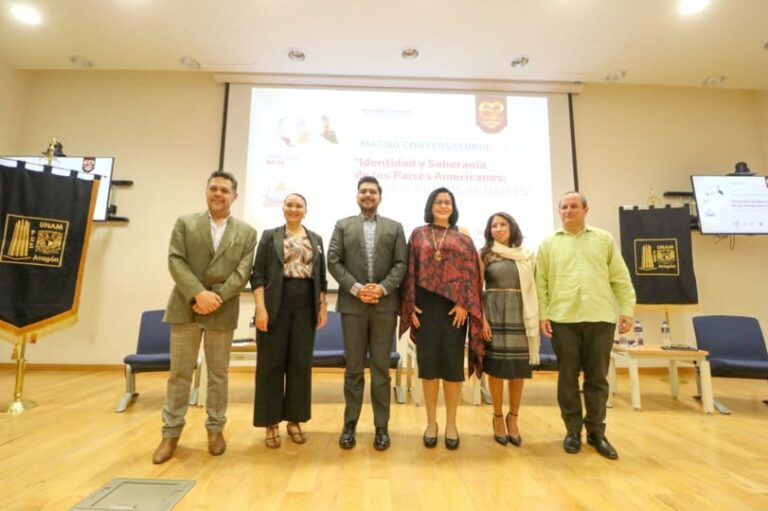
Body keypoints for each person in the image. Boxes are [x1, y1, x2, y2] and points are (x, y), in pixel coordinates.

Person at [152, 170, 257, 464]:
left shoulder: (247, 232)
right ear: (206, 192)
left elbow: (243, 271)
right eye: (214, 189)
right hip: (186, 307)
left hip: (222, 310)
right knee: (179, 375)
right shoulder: (186, 223)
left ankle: (215, 430)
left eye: (225, 190)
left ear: (234, 196)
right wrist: (198, 294)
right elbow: (176, 260)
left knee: (219, 375)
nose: (218, 194)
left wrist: (216, 297)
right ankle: (170, 434)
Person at [535, 191, 635, 460]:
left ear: (586, 210)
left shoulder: (604, 240)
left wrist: (626, 309)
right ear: (559, 212)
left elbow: (620, 277)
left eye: (574, 206)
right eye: (564, 207)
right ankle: (572, 431)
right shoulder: (548, 244)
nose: (569, 211)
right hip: (563, 319)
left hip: (600, 318)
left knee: (597, 378)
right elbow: (541, 283)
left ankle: (596, 432)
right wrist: (543, 315)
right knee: (567, 377)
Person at [399, 187, 483, 450]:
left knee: (452, 368)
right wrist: (410, 306)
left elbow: (472, 273)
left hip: (454, 311)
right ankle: (431, 423)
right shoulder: (418, 234)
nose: (443, 205)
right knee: (430, 367)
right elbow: (408, 271)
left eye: (448, 202)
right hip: (425, 308)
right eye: (439, 201)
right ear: (431, 205)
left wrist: (464, 303)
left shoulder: (463, 237)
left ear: (453, 206)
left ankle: (451, 424)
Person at [327, 176, 407, 451]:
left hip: (384, 307)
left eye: (372, 192)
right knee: (353, 369)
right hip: (353, 306)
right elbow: (333, 260)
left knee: (382, 370)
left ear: (380, 197)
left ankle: (381, 428)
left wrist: (382, 289)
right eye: (363, 191)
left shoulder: (394, 227)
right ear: (357, 196)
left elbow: (401, 263)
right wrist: (357, 288)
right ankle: (349, 426)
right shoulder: (343, 225)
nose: (367, 195)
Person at [250, 193, 328, 448]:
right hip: (275, 306)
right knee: (271, 364)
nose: (294, 209)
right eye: (290, 205)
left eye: (299, 206)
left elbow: (322, 278)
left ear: (306, 210)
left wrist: (322, 306)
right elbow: (258, 275)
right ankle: (270, 423)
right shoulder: (269, 236)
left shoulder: (316, 239)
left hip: (306, 306)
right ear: (283, 208)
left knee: (300, 364)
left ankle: (295, 420)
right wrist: (261, 308)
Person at [479, 212, 539, 447]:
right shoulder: (484, 254)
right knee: (496, 369)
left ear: (512, 227)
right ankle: (497, 417)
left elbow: (534, 287)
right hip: (493, 315)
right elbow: (476, 289)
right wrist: (482, 320)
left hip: (520, 314)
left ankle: (513, 417)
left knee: (516, 370)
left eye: (502, 224)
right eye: (493, 225)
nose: (498, 228)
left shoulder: (526, 255)